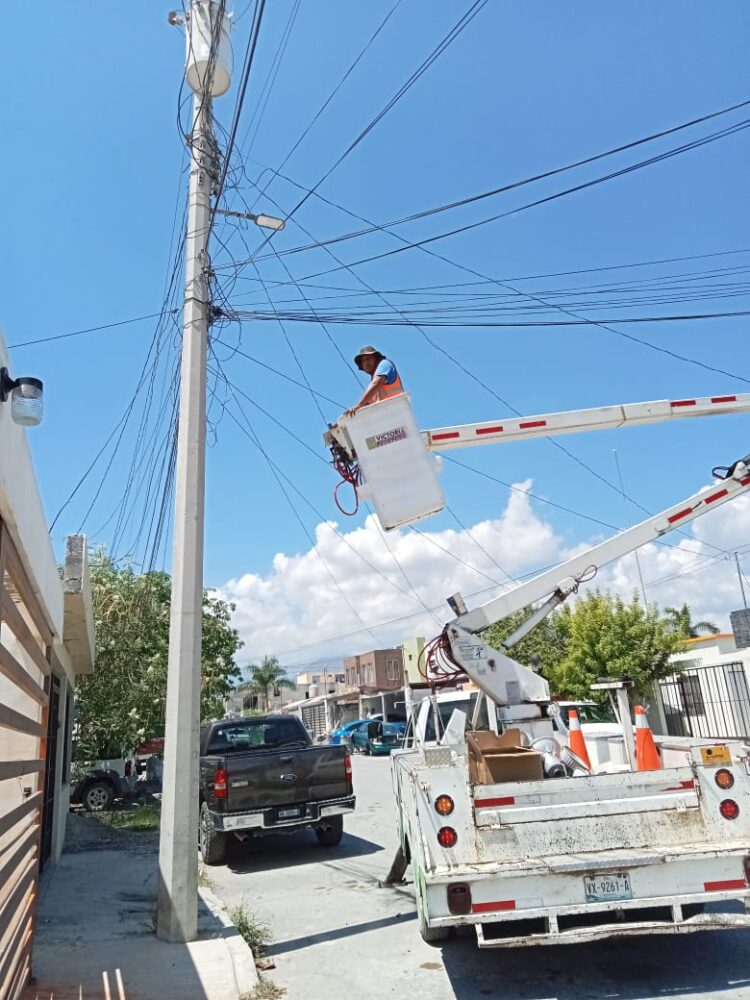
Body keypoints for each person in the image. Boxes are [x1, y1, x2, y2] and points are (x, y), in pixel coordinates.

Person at [345, 346, 404, 418]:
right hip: (388, 418)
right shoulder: (373, 391)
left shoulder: (385, 364)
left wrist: (358, 405)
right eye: (363, 361)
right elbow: (365, 407)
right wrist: (344, 421)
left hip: (399, 413)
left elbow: (375, 384)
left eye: (368, 358)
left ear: (376, 358)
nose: (366, 362)